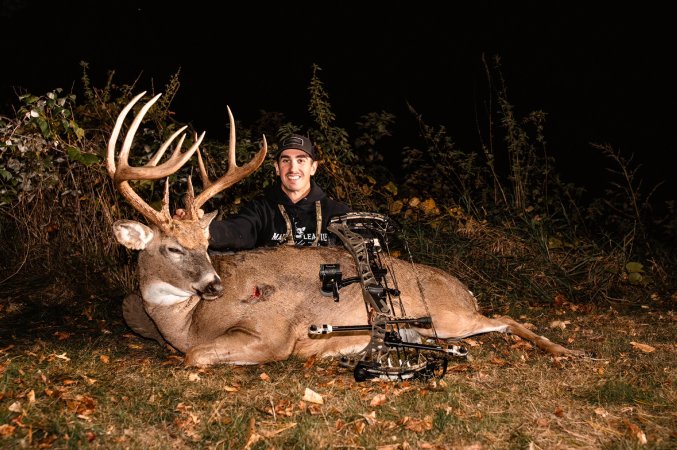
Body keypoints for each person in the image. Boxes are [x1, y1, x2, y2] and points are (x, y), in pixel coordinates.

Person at [202, 134, 351, 250]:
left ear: (313, 167)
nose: (293, 169)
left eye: (301, 160)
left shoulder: (337, 213)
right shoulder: (260, 210)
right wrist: (199, 228)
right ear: (277, 168)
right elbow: (237, 230)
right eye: (286, 161)